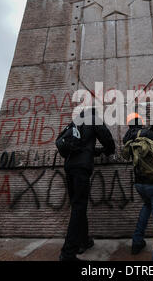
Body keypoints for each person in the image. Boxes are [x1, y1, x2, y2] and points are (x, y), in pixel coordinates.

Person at [59, 108, 116, 261]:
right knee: (79, 206)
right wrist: (109, 150)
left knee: (78, 205)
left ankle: (83, 241)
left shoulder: (75, 123)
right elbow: (106, 138)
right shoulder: (93, 119)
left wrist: (97, 152)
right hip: (81, 169)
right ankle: (68, 253)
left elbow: (83, 147)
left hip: (69, 167)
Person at [122, 113, 153, 261]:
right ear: (141, 122)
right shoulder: (146, 133)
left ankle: (137, 242)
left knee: (147, 205)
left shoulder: (127, 138)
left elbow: (149, 138)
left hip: (140, 184)